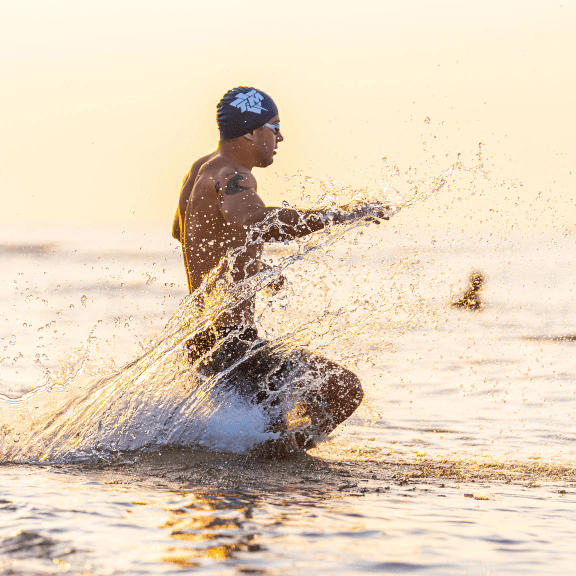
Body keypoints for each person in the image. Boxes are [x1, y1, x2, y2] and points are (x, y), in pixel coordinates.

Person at [172, 86, 392, 455]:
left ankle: (272, 459)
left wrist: (251, 265)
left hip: (204, 338)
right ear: (251, 131)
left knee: (274, 428)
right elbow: (253, 218)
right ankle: (281, 460)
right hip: (231, 342)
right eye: (275, 127)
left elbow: (188, 234)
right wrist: (341, 216)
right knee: (342, 389)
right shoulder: (232, 173)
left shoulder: (199, 170)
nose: (280, 138)